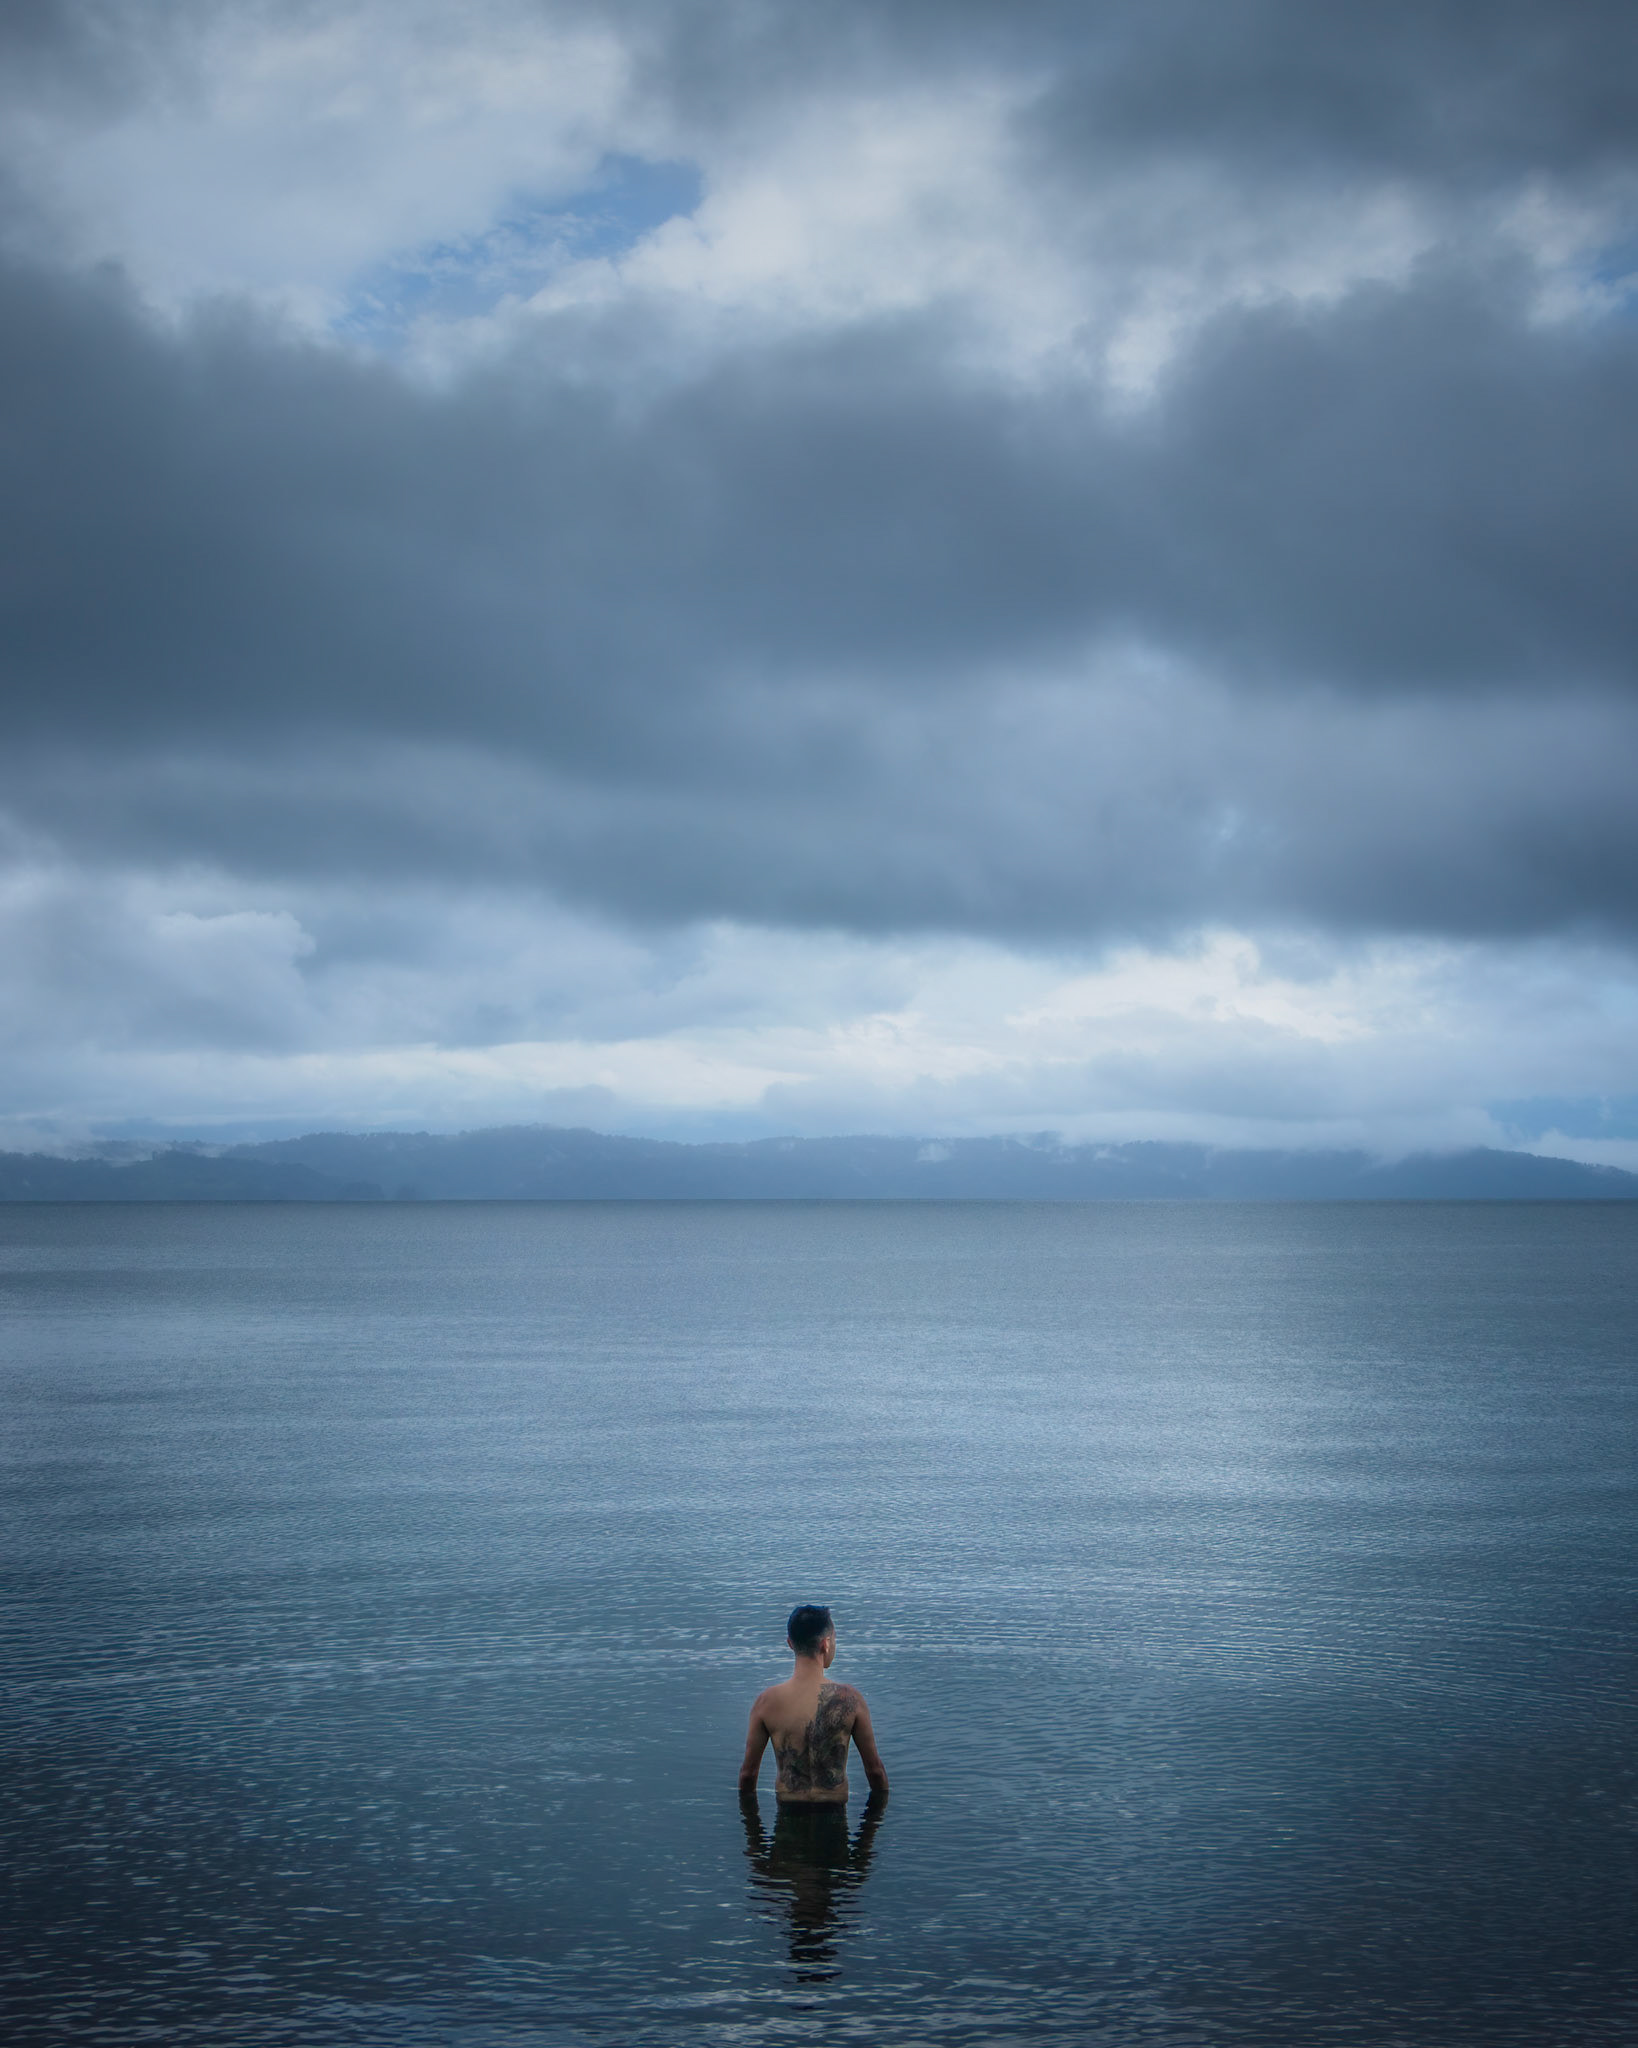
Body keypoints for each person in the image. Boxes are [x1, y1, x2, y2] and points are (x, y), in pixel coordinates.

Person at [738, 1604, 889, 1804]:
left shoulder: (766, 1702)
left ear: (790, 1643)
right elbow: (875, 1772)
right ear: (825, 1644)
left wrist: (754, 1833)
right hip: (833, 1819)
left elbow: (748, 1776)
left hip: (788, 1818)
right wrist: (869, 1831)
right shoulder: (850, 1699)